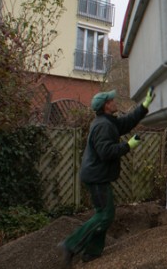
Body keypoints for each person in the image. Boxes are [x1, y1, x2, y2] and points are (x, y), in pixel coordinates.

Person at [59, 88, 154, 267]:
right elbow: (105, 152)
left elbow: (127, 122)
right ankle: (70, 245)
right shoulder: (103, 125)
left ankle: (92, 253)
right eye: (111, 100)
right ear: (106, 106)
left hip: (97, 175)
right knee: (105, 215)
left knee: (103, 214)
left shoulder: (108, 121)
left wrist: (144, 106)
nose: (114, 101)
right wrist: (128, 145)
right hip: (96, 177)